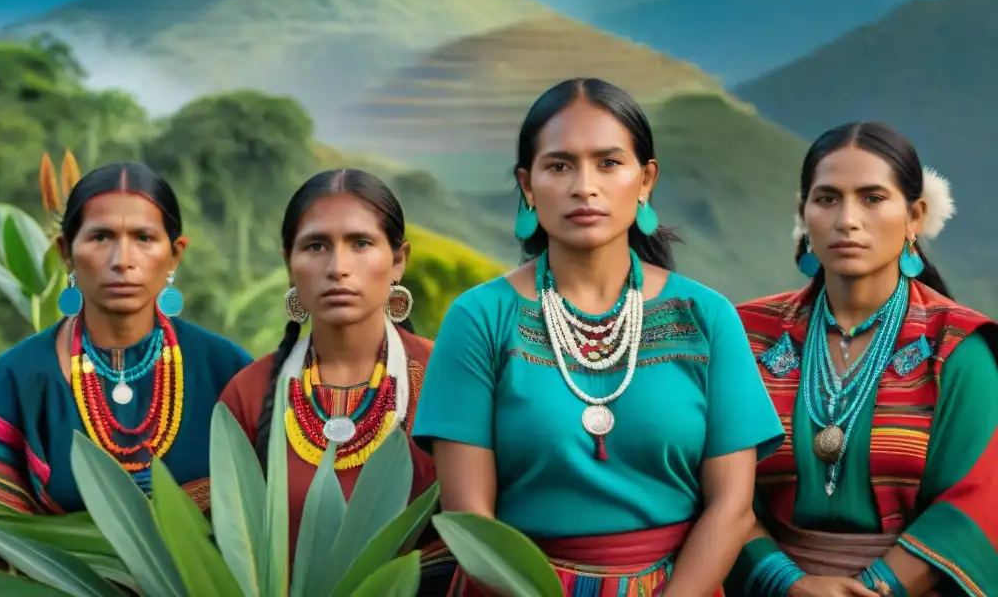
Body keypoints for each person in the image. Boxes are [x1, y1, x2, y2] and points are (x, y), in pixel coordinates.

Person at [413, 78, 785, 596]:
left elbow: (731, 506)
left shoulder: (706, 317)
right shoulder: (479, 318)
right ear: (527, 184)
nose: (583, 186)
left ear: (646, 179)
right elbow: (470, 516)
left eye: (609, 163)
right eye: (559, 165)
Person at [728, 121, 998, 597]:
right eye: (827, 198)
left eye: (873, 198)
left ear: (915, 216)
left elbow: (975, 499)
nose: (847, 219)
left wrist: (874, 589)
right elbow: (719, 490)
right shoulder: (747, 335)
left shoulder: (957, 346)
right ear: (803, 211)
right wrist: (788, 584)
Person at [0, 162, 253, 515]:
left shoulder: (228, 371)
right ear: (66, 253)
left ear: (174, 254)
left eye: (144, 238)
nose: (123, 260)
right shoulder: (18, 378)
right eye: (100, 237)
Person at [219, 169, 437, 565]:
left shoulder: (446, 378)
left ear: (398, 261)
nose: (338, 267)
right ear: (289, 263)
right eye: (316, 246)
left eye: (360, 243)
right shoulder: (248, 393)